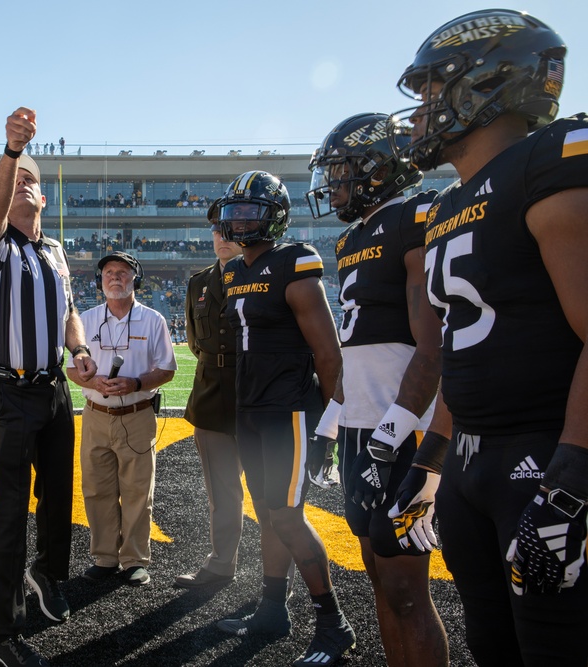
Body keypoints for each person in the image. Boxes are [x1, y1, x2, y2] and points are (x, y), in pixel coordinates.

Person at [390, 9, 588, 666]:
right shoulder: (447, 205)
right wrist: (428, 465)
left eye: (429, 89)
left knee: (556, 647)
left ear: (481, 80)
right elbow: (460, 351)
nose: (420, 110)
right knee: (491, 642)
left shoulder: (549, 161)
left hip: (543, 456)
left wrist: (571, 478)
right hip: (472, 466)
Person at [306, 113, 448, 666]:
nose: (332, 185)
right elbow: (357, 352)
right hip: (364, 430)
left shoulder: (416, 216)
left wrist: (391, 437)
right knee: (379, 580)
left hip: (405, 431)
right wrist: (329, 429)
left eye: (340, 172)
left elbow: (433, 349)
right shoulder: (354, 236)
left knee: (407, 588)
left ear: (375, 167)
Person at [0, 107, 97, 667]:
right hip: (8, 389)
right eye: (17, 180)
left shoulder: (54, 251)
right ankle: (4, 632)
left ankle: (48, 577)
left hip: (53, 389)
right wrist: (12, 152)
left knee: (57, 496)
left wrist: (81, 350)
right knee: (9, 507)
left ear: (45, 198)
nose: (24, 185)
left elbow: (68, 309)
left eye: (32, 182)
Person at [212, 171, 354, 667]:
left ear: (275, 215)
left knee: (289, 517)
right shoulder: (232, 272)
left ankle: (334, 624)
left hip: (290, 411)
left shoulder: (295, 262)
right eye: (235, 212)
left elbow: (328, 353)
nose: (240, 220)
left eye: (251, 210)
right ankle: (273, 609)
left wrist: (330, 428)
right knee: (268, 513)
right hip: (250, 410)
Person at [67, 252, 176, 587]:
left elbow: (167, 369)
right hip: (96, 415)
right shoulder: (84, 319)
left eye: (123, 272)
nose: (115, 277)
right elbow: (71, 368)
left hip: (136, 414)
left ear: (135, 279)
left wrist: (136, 383)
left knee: (137, 491)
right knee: (96, 490)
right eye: (109, 272)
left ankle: (134, 559)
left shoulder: (153, 320)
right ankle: (104, 557)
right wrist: (91, 381)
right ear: (101, 281)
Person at [175, 225, 244, 589]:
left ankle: (277, 577)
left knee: (270, 494)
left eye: (232, 231)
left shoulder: (263, 274)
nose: (223, 238)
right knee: (221, 489)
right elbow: (194, 341)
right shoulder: (198, 282)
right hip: (211, 393)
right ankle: (221, 563)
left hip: (257, 393)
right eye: (218, 230)